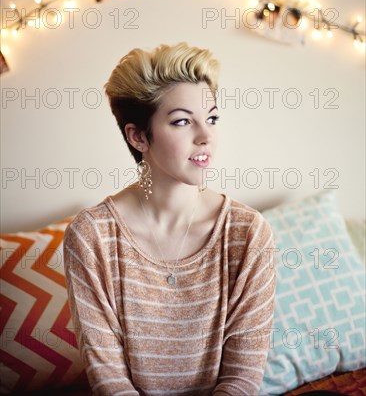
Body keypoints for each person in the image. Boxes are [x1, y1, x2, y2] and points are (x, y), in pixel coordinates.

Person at [63, 42, 276, 395]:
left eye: (211, 118)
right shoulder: (91, 236)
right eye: (182, 121)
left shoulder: (248, 233)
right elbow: (109, 379)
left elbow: (241, 378)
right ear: (138, 136)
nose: (206, 137)